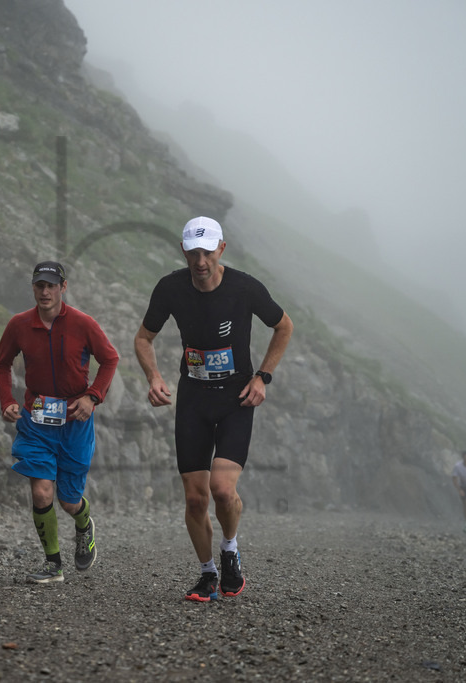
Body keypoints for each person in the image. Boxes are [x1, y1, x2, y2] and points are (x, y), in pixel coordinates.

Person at [134, 216, 294, 602]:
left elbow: (284, 326)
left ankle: (230, 550)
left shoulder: (244, 287)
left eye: (207, 251)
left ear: (221, 249)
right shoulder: (170, 288)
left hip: (236, 399)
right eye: (193, 252)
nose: (200, 260)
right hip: (194, 398)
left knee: (223, 491)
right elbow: (143, 338)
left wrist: (263, 377)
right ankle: (208, 574)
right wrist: (153, 377)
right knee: (194, 499)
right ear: (184, 251)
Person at [0, 261, 120, 583]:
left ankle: (84, 523)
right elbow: (1, 363)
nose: (45, 292)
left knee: (68, 500)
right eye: (40, 286)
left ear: (63, 287)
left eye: (51, 285)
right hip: (36, 420)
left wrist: (92, 397)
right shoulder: (19, 325)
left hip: (75, 420)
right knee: (41, 492)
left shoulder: (83, 324)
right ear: (33, 288)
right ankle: (53, 565)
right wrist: (7, 401)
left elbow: (110, 359)